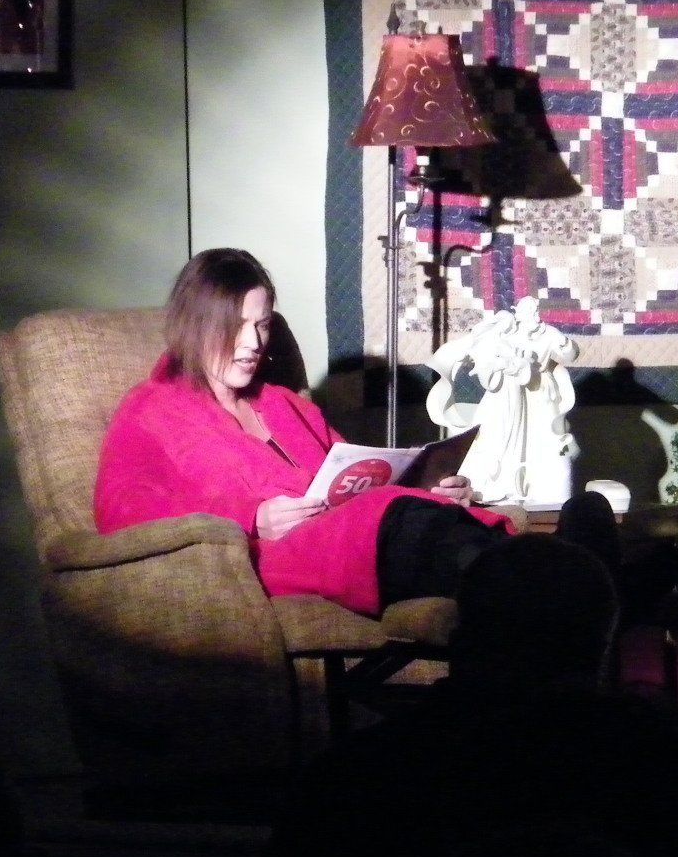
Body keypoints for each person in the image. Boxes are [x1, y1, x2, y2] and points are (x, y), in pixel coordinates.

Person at [95, 248, 525, 615]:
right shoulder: (150, 410)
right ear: (195, 325)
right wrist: (249, 517)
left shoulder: (286, 404)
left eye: (262, 324)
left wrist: (428, 487)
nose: (253, 343)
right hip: (278, 558)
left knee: (448, 534)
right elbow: (121, 512)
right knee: (441, 543)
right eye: (236, 326)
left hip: (364, 534)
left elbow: (357, 475)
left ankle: (534, 575)